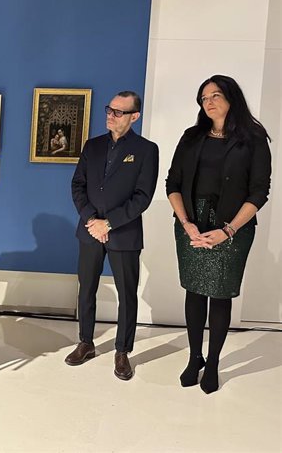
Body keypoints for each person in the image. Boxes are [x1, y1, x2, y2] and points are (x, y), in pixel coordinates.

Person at [166, 75, 271, 394]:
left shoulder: (253, 138)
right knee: (195, 291)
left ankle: (213, 363)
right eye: (203, 98)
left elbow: (259, 192)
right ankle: (195, 357)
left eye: (215, 95)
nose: (208, 102)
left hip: (233, 226)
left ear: (231, 97)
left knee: (221, 293)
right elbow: (173, 183)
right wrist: (186, 223)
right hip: (191, 222)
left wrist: (228, 230)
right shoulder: (192, 136)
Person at [67, 91, 158, 380]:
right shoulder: (92, 146)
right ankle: (86, 342)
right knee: (87, 289)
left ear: (134, 116)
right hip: (90, 231)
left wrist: (110, 224)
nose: (110, 114)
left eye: (119, 111)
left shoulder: (146, 150)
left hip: (124, 233)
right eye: (110, 109)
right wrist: (92, 220)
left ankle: (122, 351)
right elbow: (78, 186)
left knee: (127, 294)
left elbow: (143, 197)